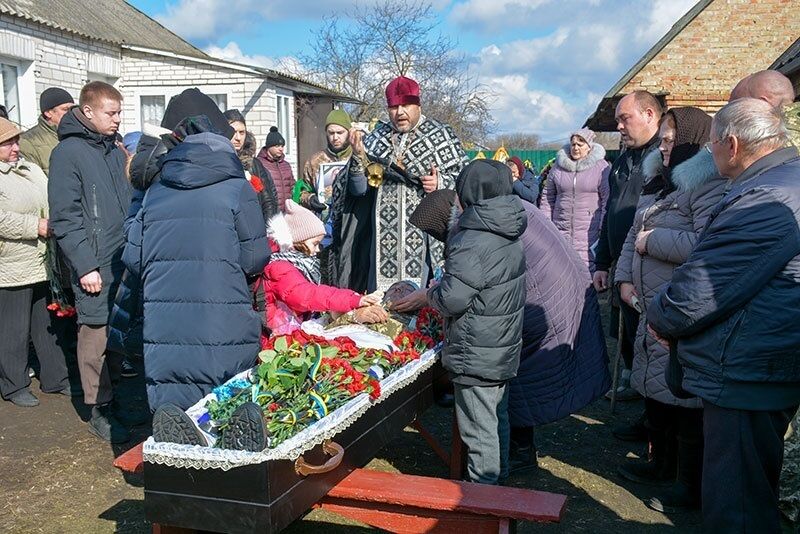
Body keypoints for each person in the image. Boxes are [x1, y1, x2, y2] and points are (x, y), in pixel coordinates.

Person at [647, 98, 800, 532]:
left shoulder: (765, 197)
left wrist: (660, 318)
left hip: (747, 369)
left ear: (731, 144)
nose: (708, 155)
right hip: (760, 359)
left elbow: (702, 289)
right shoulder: (783, 181)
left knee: (738, 507)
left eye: (710, 145)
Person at [411, 186, 610, 475]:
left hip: (542, 298)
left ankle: (504, 464)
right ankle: (512, 454)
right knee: (513, 377)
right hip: (561, 286)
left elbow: (459, 293)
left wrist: (429, 296)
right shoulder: (501, 210)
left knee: (516, 376)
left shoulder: (475, 230)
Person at [123, 90, 269, 413]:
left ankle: (175, 449)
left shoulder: (155, 192)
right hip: (224, 321)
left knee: (176, 412)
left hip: (166, 329)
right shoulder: (238, 188)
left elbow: (134, 257)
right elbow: (256, 258)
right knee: (226, 411)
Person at [615, 107, 728, 513]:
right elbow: (633, 235)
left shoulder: (707, 184)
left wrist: (655, 241)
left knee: (684, 402)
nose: (662, 145)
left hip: (680, 303)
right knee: (655, 389)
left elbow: (706, 242)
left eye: (669, 139)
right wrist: (624, 279)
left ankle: (687, 483)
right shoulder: (658, 182)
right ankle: (659, 462)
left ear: (691, 141)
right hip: (647, 301)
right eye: (662, 138)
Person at [427, 159, 526, 485]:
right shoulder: (507, 229)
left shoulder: (471, 240)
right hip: (501, 347)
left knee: (477, 431)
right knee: (496, 419)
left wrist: (432, 296)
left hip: (475, 351)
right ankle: (501, 485)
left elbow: (454, 298)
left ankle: (484, 499)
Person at [48, 81, 133, 443]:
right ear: (87, 112)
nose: (117, 120)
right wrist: (85, 265)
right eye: (110, 113)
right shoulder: (68, 153)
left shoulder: (114, 151)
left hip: (121, 258)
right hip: (94, 262)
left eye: (118, 113)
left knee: (119, 331)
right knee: (94, 334)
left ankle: (121, 399)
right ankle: (99, 405)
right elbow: (65, 217)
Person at [332, 76, 468, 294]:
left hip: (425, 239)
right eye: (394, 107)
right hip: (380, 243)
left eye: (406, 105)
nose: (400, 112)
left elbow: (465, 178)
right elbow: (358, 191)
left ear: (418, 105)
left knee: (421, 301)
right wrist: (358, 157)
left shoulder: (440, 135)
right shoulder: (377, 138)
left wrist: (441, 182)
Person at [594, 90, 662, 405]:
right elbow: (612, 213)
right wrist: (603, 262)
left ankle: (653, 420)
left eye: (625, 118)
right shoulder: (623, 159)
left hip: (649, 268)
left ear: (650, 115)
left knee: (650, 343)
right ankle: (642, 404)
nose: (619, 126)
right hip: (622, 266)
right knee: (627, 338)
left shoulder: (665, 157)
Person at [0, 118, 70, 407]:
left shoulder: (28, 168)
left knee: (47, 325)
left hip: (40, 260)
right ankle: (14, 384)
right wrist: (35, 226)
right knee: (13, 329)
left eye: (17, 140)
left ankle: (56, 378)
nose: (16, 147)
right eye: (8, 143)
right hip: (11, 265)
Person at [261, 199, 385, 337]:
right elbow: (308, 295)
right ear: (297, 240)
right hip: (279, 333)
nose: (318, 249)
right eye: (315, 243)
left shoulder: (293, 264)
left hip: (288, 326)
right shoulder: (280, 267)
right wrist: (352, 300)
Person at [540, 128, 610, 274]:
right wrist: (547, 226)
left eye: (580, 144)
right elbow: (548, 197)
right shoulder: (558, 168)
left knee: (587, 278)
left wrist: (602, 229)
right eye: (573, 144)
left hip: (589, 234)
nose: (576, 147)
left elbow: (607, 199)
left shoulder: (601, 167)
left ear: (589, 146)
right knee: (562, 274)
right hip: (561, 231)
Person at [294, 109, 360, 213]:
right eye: (331, 133)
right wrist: (310, 199)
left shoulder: (358, 158)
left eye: (340, 132)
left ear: (349, 132)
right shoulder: (314, 161)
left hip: (353, 217)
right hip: (325, 220)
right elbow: (302, 191)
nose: (335, 137)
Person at [224, 109, 279, 224]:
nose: (238, 138)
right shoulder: (215, 162)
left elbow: (268, 201)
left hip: (254, 227)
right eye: (233, 132)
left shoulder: (254, 164)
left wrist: (265, 230)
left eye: (242, 132)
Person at [20, 87, 75, 175]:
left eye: (72, 109)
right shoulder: (28, 142)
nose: (71, 113)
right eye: (65, 109)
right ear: (48, 113)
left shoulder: (78, 135)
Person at [256, 126, 295, 210]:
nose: (281, 149)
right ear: (269, 146)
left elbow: (292, 186)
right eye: (277, 146)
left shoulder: (286, 165)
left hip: (287, 211)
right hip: (269, 212)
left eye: (282, 146)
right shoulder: (259, 164)